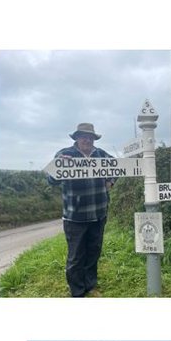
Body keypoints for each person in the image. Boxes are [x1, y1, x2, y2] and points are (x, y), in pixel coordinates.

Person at [47, 123, 116, 297]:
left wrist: (111, 180)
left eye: (90, 137)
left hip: (99, 214)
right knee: (76, 257)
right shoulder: (65, 154)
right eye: (83, 136)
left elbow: (117, 168)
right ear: (76, 138)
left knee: (94, 251)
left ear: (94, 139)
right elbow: (51, 180)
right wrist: (60, 166)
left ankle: (90, 286)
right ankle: (77, 292)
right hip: (74, 217)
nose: (87, 139)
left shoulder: (102, 155)